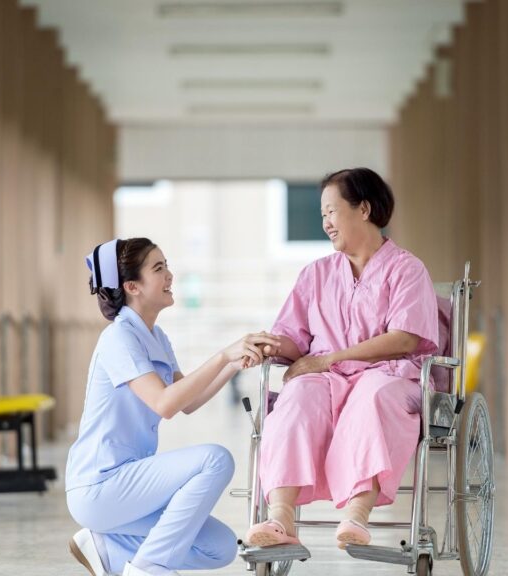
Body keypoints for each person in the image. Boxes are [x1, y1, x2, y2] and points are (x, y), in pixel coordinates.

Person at [244, 167, 440, 550]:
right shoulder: (315, 274)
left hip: (390, 373)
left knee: (372, 396)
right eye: (322, 215)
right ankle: (280, 517)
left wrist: (329, 359)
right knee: (297, 398)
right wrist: (272, 345)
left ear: (364, 209)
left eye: (331, 211)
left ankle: (356, 515)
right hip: (327, 377)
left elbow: (402, 338)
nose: (326, 223)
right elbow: (296, 340)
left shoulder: (407, 269)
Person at [66, 237, 279, 576]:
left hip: (128, 484)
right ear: (132, 286)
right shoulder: (118, 337)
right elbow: (164, 403)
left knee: (219, 547)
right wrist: (224, 353)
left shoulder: (156, 336)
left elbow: (188, 400)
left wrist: (234, 362)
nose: (170, 276)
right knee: (214, 459)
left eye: (166, 266)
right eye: (159, 268)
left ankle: (106, 549)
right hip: (100, 485)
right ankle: (149, 569)